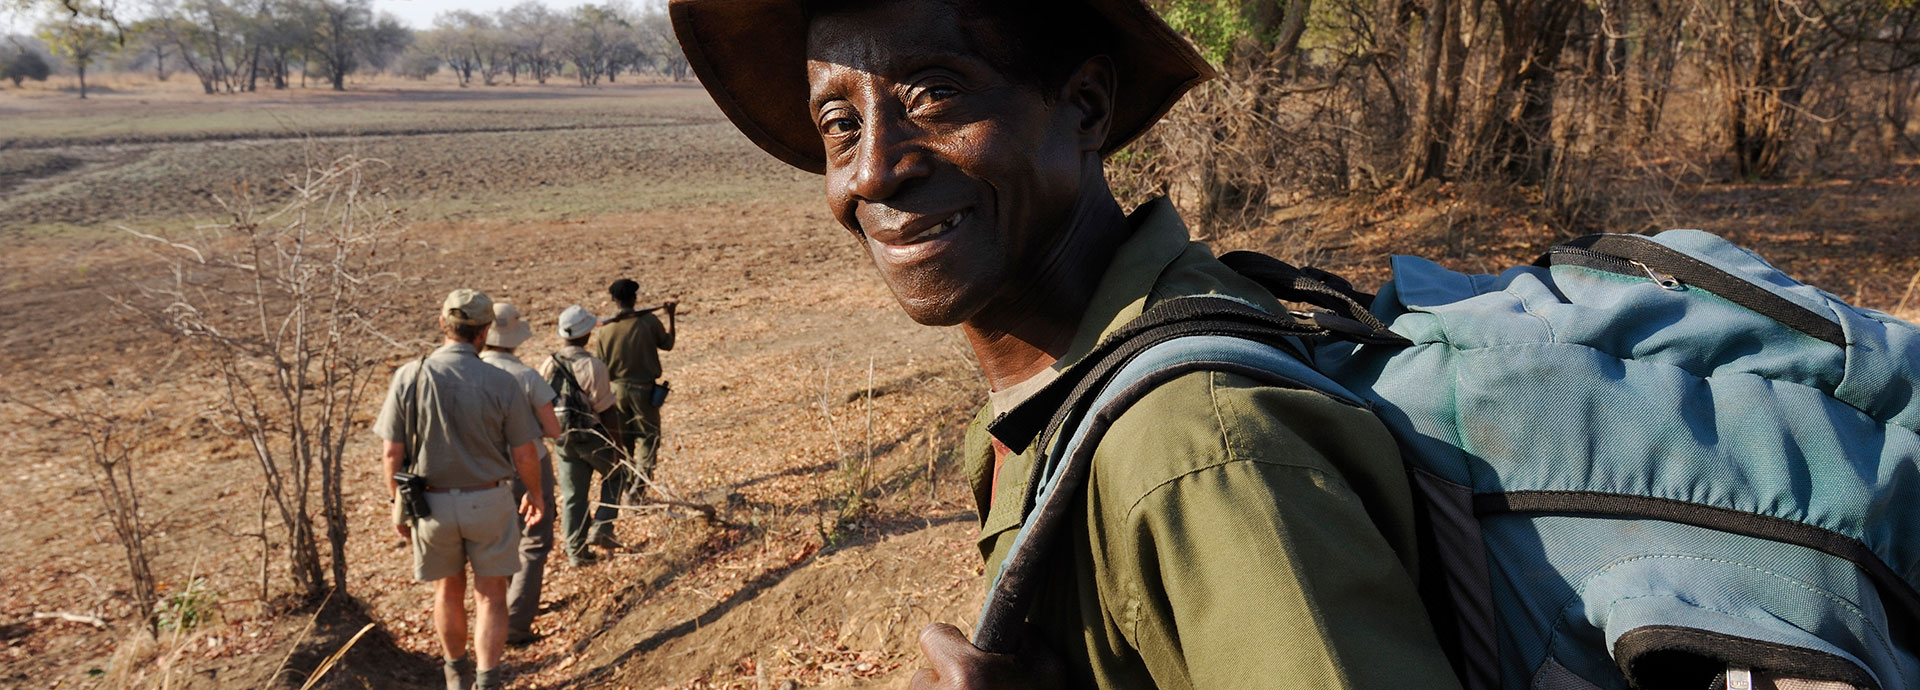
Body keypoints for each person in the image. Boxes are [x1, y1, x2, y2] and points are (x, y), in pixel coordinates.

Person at [670, 2, 1459, 688]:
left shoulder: (1191, 450)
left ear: (1085, 106)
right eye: (840, 126)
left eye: (935, 96)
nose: (872, 172)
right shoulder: (1056, 400)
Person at [375, 289, 546, 690]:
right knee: (491, 595)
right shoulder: (501, 381)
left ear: (442, 325)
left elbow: (390, 454)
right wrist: (535, 494)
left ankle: (456, 677)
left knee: (447, 592)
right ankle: (488, 681)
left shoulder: (409, 375)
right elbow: (525, 453)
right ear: (484, 331)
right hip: (488, 499)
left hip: (430, 503)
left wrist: (398, 503)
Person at [477, 301, 562, 647]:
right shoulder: (526, 376)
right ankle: (516, 620)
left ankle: (494, 615)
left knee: (499, 541)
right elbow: (553, 428)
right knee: (534, 541)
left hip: (483, 468)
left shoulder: (471, 374)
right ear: (515, 337)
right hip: (530, 464)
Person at [539, 305, 628, 566]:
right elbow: (606, 410)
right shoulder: (593, 366)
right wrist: (617, 447)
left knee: (573, 495)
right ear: (587, 334)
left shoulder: (548, 363)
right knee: (616, 474)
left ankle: (576, 552)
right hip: (592, 435)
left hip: (562, 438)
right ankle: (602, 525)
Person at [590, 278, 677, 507]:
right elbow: (667, 344)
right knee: (648, 440)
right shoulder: (648, 321)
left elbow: (600, 365)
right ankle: (638, 492)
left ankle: (629, 487)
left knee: (623, 443)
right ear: (634, 298)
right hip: (644, 391)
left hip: (616, 392)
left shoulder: (606, 329)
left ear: (614, 301)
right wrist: (671, 316)